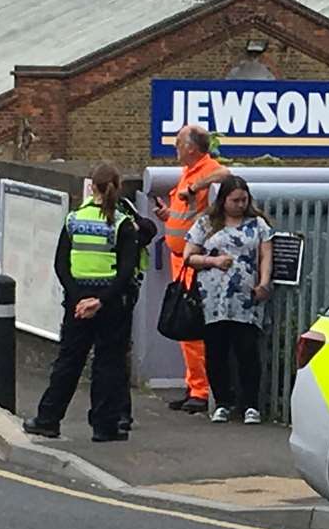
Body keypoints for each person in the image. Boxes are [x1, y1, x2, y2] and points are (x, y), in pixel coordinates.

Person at [23, 165, 139, 443]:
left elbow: (61, 265)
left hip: (77, 300)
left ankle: (48, 419)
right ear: (117, 186)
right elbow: (126, 271)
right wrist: (99, 301)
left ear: (91, 188)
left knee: (69, 361)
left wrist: (79, 298)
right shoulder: (122, 224)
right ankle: (105, 426)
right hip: (111, 302)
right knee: (108, 363)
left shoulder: (73, 220)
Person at [182, 176, 274, 425]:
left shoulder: (258, 224)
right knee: (216, 351)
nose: (240, 205)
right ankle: (222, 401)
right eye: (235, 200)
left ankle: (250, 404)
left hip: (246, 297)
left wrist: (264, 282)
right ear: (223, 200)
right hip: (213, 297)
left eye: (244, 200)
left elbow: (265, 255)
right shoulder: (207, 223)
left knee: (247, 350)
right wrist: (213, 261)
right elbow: (189, 256)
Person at [153, 125, 230, 415]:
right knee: (185, 328)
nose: (175, 148)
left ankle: (200, 390)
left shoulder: (205, 170)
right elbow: (184, 215)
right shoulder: (189, 171)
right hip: (181, 259)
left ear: (192, 148)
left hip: (194, 260)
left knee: (192, 327)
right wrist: (167, 215)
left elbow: (225, 175)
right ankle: (193, 385)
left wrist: (195, 188)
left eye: (178, 143)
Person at [112, 193, 160, 437]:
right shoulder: (85, 215)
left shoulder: (122, 209)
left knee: (112, 356)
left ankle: (119, 415)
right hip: (109, 292)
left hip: (117, 293)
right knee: (112, 357)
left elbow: (148, 229)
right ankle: (117, 414)